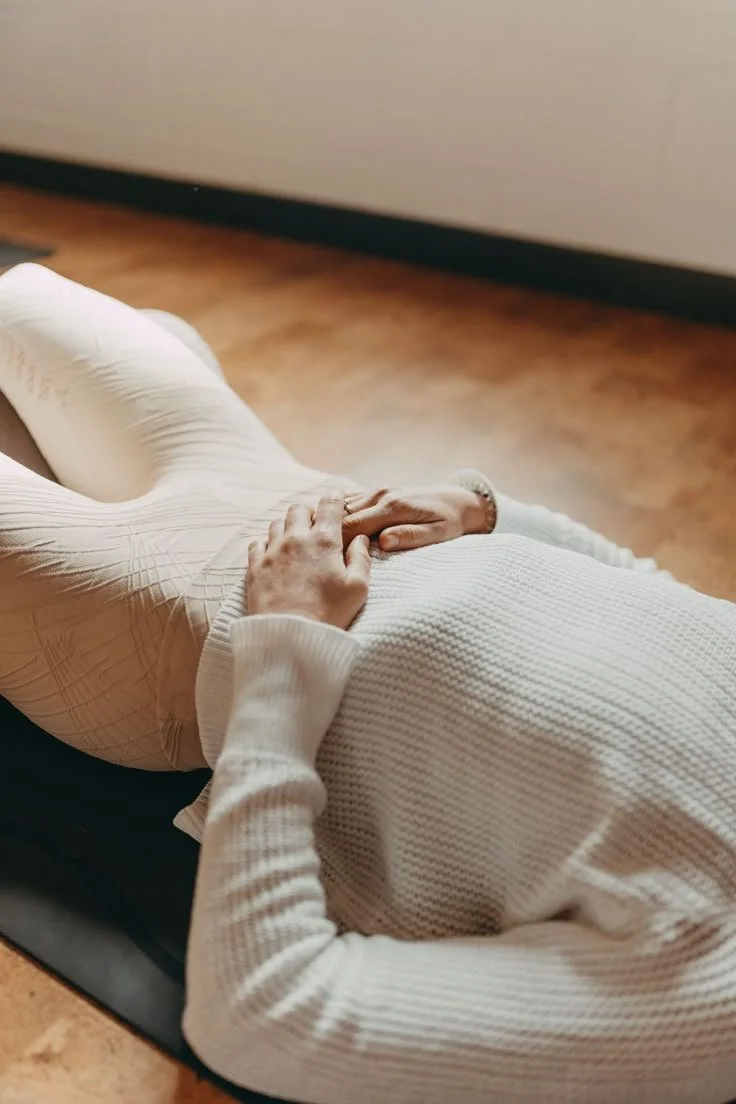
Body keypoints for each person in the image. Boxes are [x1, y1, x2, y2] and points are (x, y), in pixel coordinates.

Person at [1, 263, 735, 1104]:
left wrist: (283, 644)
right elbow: (662, 601)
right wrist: (487, 515)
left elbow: (263, 1018)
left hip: (168, 626)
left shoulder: (712, 1003)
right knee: (20, 297)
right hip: (297, 500)